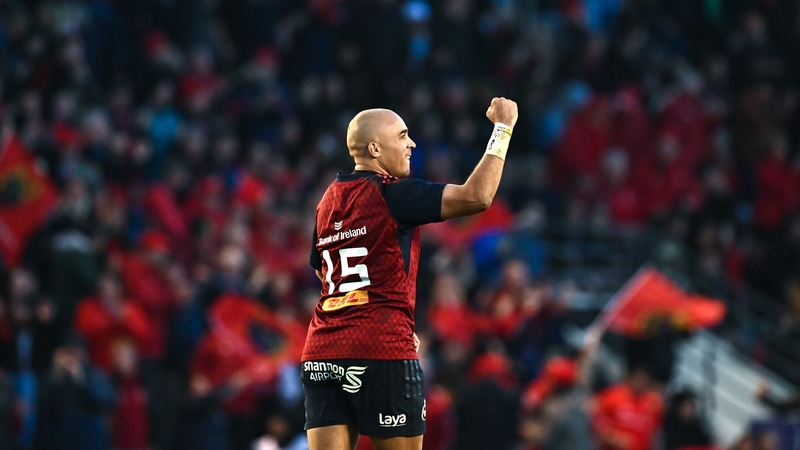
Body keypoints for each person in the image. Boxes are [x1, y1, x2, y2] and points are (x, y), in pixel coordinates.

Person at [301, 97, 518, 450]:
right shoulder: (392, 192)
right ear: (375, 149)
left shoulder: (327, 201)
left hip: (322, 351)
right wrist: (503, 128)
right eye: (402, 136)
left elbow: (323, 273)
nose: (412, 144)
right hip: (382, 349)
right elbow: (476, 197)